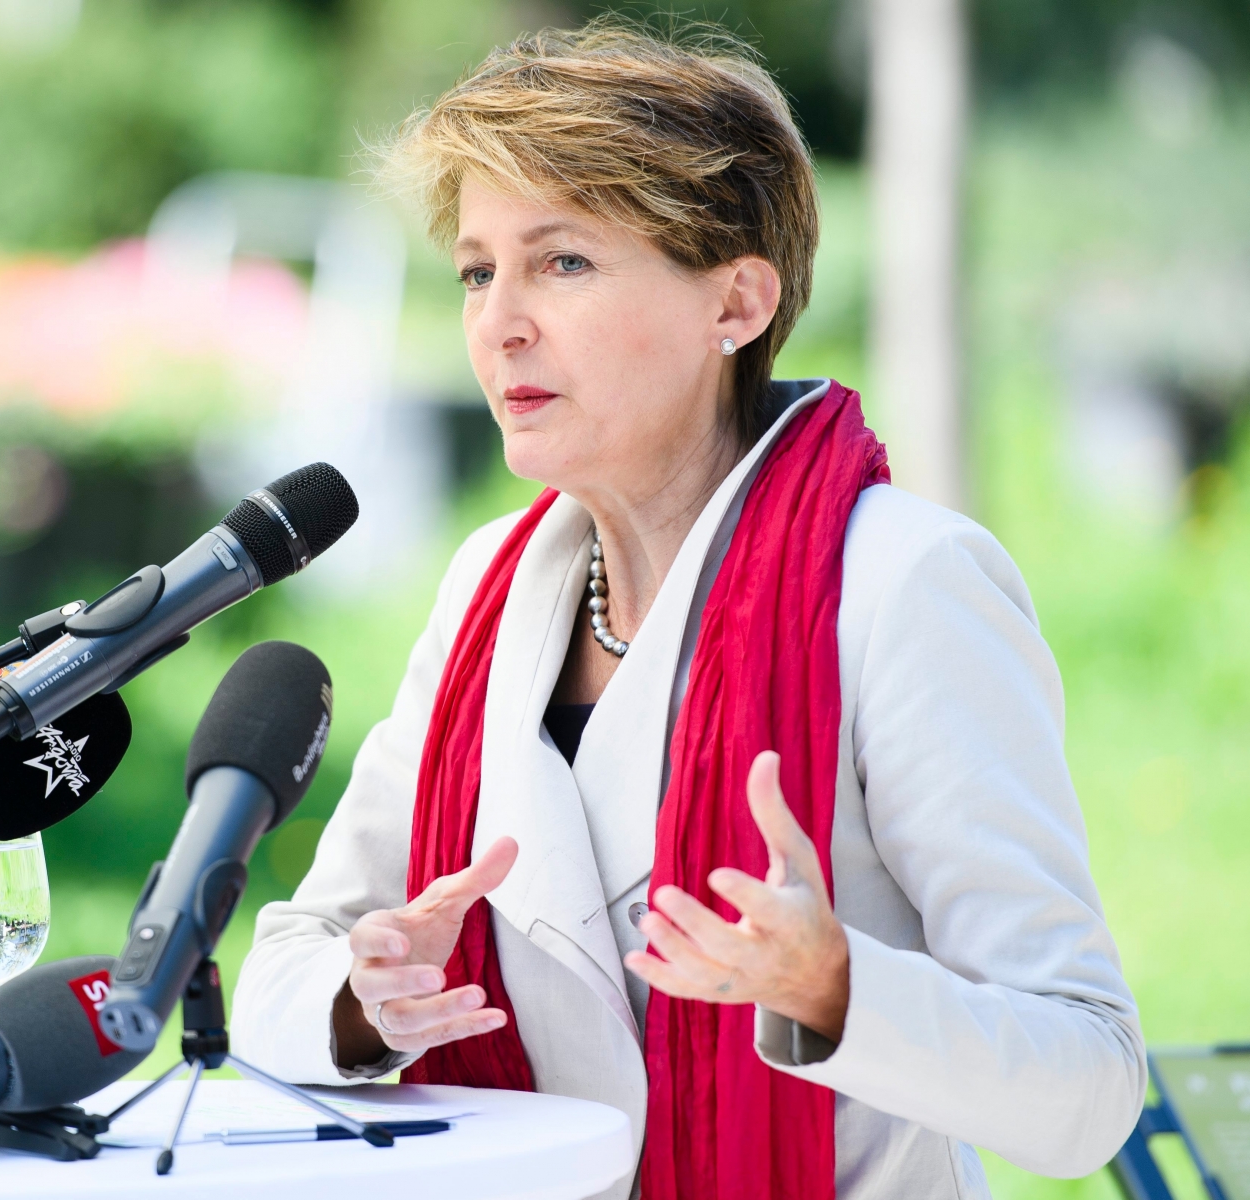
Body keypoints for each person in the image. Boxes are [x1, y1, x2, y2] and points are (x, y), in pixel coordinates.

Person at [230, 22, 1144, 1200]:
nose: (497, 320)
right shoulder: (484, 594)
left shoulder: (904, 585)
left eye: (560, 263)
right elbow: (284, 975)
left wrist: (834, 989)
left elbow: (1089, 1088)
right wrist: (367, 1001)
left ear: (736, 302)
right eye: (475, 269)